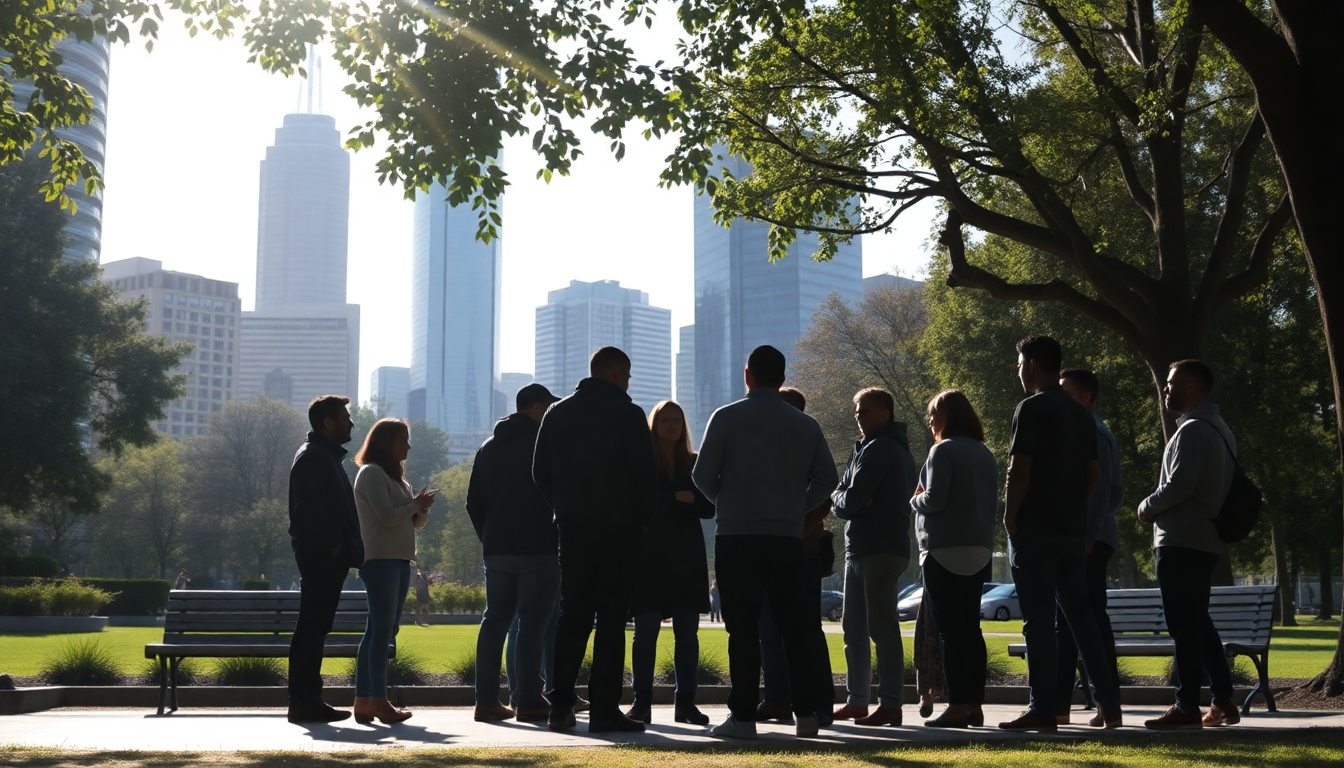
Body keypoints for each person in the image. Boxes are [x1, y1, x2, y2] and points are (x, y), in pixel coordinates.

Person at [693, 345, 838, 739]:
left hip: (737, 535)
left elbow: (701, 475)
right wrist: (796, 505)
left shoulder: (726, 417)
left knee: (742, 630)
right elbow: (828, 478)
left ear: (747, 375)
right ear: (782, 377)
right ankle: (806, 714)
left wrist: (727, 500)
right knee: (794, 627)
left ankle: (743, 717)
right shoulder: (805, 424)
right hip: (786, 535)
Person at [533, 347, 658, 733]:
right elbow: (645, 475)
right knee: (611, 619)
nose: (628, 384)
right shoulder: (629, 414)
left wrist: (563, 508)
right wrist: (645, 520)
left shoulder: (557, 412)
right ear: (618, 374)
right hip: (621, 528)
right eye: (628, 377)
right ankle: (604, 709)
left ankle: (560, 705)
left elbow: (539, 471)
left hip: (574, 528)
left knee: (573, 616)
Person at [999, 336, 1121, 732]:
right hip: (1071, 532)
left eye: (1020, 364)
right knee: (1081, 618)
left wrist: (1010, 516)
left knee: (1038, 621)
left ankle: (1043, 708)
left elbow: (1019, 467)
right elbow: (1094, 475)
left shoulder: (1031, 407)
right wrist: (1070, 505)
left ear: (1033, 364)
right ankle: (1109, 704)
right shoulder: (1082, 415)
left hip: (1035, 528)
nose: (1018, 371)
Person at [1137, 360, 1240, 730]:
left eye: (1171, 383)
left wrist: (1147, 505)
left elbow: (1180, 485)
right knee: (1198, 622)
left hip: (1181, 540)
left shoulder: (1193, 430)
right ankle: (1222, 701)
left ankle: (1186, 706)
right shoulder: (1221, 429)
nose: (1165, 389)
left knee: (1183, 626)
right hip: (1205, 540)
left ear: (1192, 386)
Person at [467, 383, 563, 723]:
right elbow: (559, 493)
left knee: (494, 621)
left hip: (498, 549)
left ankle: (486, 700)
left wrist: (489, 539)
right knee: (533, 623)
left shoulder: (488, 447)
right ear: (537, 408)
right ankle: (528, 699)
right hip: (539, 547)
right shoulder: (546, 443)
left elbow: (473, 502)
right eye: (548, 408)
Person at [910, 389, 999, 728]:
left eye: (934, 413)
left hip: (944, 549)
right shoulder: (984, 453)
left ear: (947, 416)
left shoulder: (943, 450)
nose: (931, 420)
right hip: (979, 548)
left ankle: (957, 705)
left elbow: (934, 499)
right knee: (971, 629)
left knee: (949, 632)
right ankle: (975, 704)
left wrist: (914, 500)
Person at [831, 387, 918, 727]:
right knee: (854, 628)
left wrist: (846, 500)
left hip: (878, 546)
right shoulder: (867, 447)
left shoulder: (881, 447)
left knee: (881, 628)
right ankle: (858, 701)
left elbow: (849, 499)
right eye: (857, 411)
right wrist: (844, 500)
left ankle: (891, 703)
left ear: (885, 412)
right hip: (863, 546)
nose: (858, 417)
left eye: (865, 411)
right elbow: (842, 496)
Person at [627, 400, 715, 726]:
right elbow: (637, 505)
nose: (671, 425)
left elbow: (708, 506)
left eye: (677, 420)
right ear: (654, 424)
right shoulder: (643, 463)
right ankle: (641, 702)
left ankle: (686, 703)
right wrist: (677, 498)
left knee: (688, 635)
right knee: (645, 633)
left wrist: (665, 502)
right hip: (649, 558)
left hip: (687, 558)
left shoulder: (694, 462)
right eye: (665, 420)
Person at [756, 385, 836, 727]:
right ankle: (785, 700)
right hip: (789, 546)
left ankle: (813, 702)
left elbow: (825, 494)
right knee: (774, 628)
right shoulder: (804, 440)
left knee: (799, 628)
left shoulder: (804, 443)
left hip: (798, 549)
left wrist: (793, 525)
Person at [286, 395, 365, 724]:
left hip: (325, 556)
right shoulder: (314, 457)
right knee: (312, 628)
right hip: (322, 557)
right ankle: (304, 701)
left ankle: (306, 701)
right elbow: (309, 509)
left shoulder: (321, 456)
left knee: (315, 627)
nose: (351, 422)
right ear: (327, 423)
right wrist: (334, 545)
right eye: (345, 417)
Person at [351, 418, 435, 725]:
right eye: (403, 439)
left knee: (380, 630)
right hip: (380, 560)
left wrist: (421, 509)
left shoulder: (399, 480)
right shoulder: (371, 473)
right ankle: (377, 699)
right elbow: (387, 517)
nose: (408, 446)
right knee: (382, 631)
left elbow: (414, 523)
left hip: (398, 560)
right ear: (386, 442)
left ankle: (364, 701)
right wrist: (414, 505)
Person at [1055, 368, 1125, 725]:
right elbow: (1117, 493)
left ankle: (1106, 702)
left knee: (1088, 622)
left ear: (1086, 397)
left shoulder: (1093, 432)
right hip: (1088, 537)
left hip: (1087, 540)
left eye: (1066, 393)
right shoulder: (1088, 431)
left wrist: (1088, 536)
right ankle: (1061, 705)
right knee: (1070, 624)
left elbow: (1101, 491)